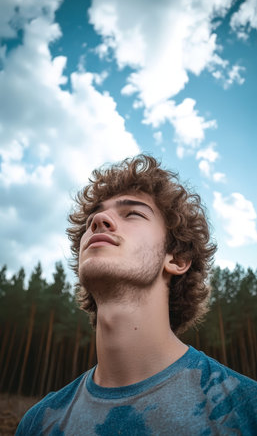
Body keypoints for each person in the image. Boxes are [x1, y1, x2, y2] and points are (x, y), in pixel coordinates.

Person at [16, 155, 257, 435]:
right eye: (93, 217)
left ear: (177, 259)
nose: (98, 220)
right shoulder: (38, 424)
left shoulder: (246, 410)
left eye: (132, 213)